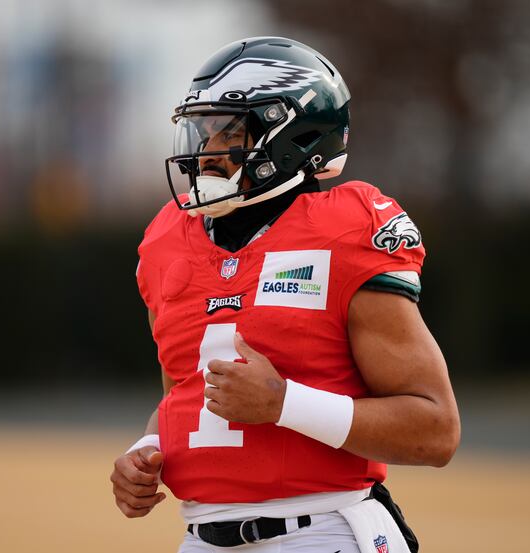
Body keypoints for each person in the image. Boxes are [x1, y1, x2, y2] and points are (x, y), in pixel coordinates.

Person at [110, 36, 460, 553]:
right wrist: (147, 449)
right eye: (201, 132)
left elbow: (435, 430)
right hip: (202, 537)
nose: (204, 152)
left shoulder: (345, 231)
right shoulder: (168, 241)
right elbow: (185, 394)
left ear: (289, 135)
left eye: (226, 133)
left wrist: (285, 404)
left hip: (323, 531)